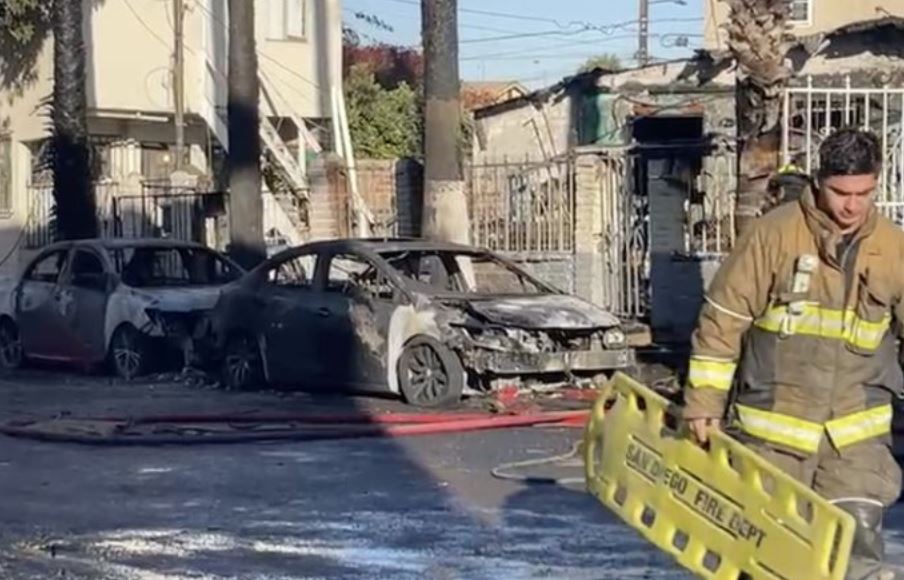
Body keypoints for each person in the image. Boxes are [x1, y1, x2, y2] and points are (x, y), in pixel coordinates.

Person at [683, 128, 903, 579]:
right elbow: (723, 320)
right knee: (769, 555)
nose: (852, 206)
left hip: (855, 439)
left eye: (864, 193)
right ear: (819, 182)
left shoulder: (894, 248)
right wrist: (704, 402)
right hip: (774, 435)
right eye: (841, 192)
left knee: (857, 545)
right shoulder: (773, 236)